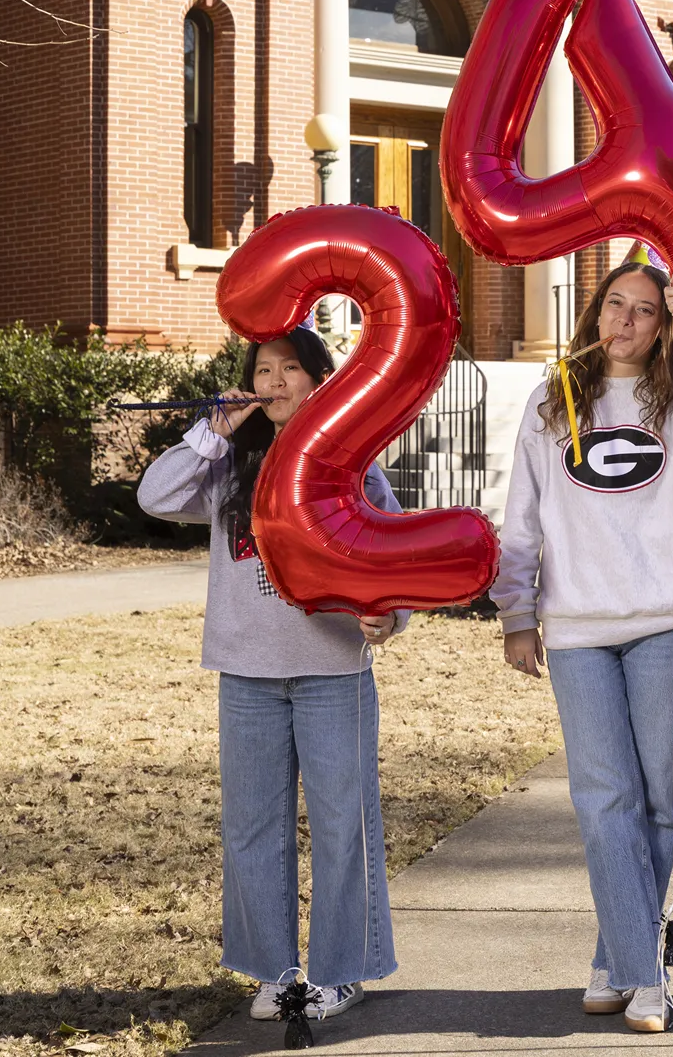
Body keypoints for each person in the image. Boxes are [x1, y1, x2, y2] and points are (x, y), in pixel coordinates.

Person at [494, 261, 673, 1034]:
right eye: (617, 304)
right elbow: (521, 516)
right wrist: (516, 610)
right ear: (594, 309)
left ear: (663, 323)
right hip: (578, 630)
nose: (628, 321)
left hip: (665, 623)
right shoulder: (551, 400)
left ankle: (616, 957)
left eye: (647, 311)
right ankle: (648, 975)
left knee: (655, 803)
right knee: (604, 799)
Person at [138, 325, 410, 1025]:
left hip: (332, 672)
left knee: (343, 825)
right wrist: (213, 429)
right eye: (264, 369)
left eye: (293, 368)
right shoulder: (225, 467)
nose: (277, 381)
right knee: (252, 828)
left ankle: (341, 970)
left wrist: (388, 618)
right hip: (248, 673)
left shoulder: (353, 466)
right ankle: (273, 971)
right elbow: (154, 495)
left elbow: (395, 561)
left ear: (322, 382)